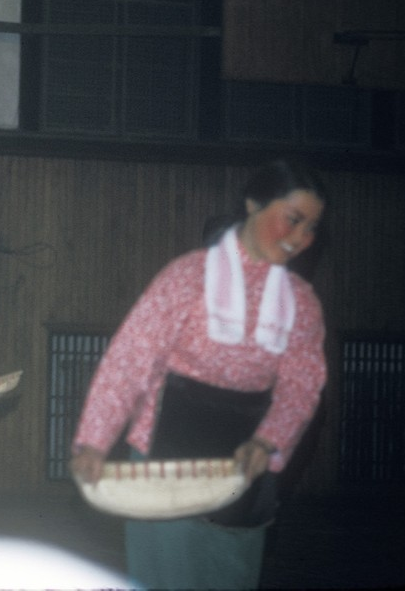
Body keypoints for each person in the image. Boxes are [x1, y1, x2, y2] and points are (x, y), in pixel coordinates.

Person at [70, 160, 328, 590]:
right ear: (253, 204)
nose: (301, 238)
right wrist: (94, 441)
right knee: (164, 578)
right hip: (165, 449)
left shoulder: (301, 303)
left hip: (247, 459)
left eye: (311, 228)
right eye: (293, 219)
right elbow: (129, 361)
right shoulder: (186, 278)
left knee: (230, 576)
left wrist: (269, 440)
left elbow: (302, 385)